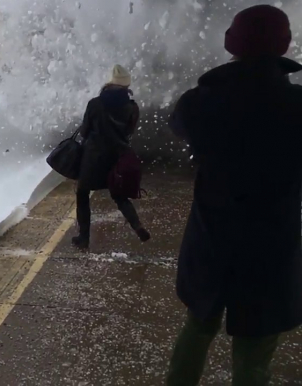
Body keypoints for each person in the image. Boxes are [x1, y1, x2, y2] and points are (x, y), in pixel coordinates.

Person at [167, 5, 302, 385]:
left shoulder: (200, 104)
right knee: (255, 354)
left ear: (233, 44)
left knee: (196, 329)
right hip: (271, 250)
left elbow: (180, 124)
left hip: (212, 241)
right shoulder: (296, 108)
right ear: (284, 46)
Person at [71, 64, 151, 249]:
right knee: (120, 196)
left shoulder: (95, 104)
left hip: (93, 158)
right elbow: (129, 132)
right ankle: (137, 225)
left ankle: (83, 238)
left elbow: (84, 131)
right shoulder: (132, 108)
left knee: (83, 194)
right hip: (117, 158)